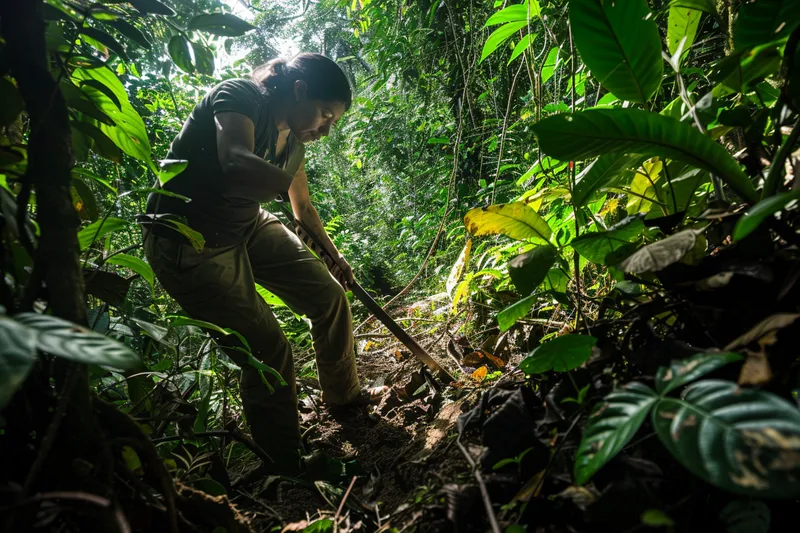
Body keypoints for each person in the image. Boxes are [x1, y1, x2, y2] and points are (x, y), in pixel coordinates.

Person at [140, 53, 384, 476]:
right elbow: (234, 161)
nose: (324, 129)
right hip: (188, 241)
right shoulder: (240, 96)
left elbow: (302, 207)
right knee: (267, 348)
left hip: (245, 225)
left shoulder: (292, 143)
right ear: (299, 89)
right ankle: (286, 461)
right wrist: (281, 178)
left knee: (327, 294)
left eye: (333, 122)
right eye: (324, 114)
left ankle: (344, 398)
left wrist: (334, 256)